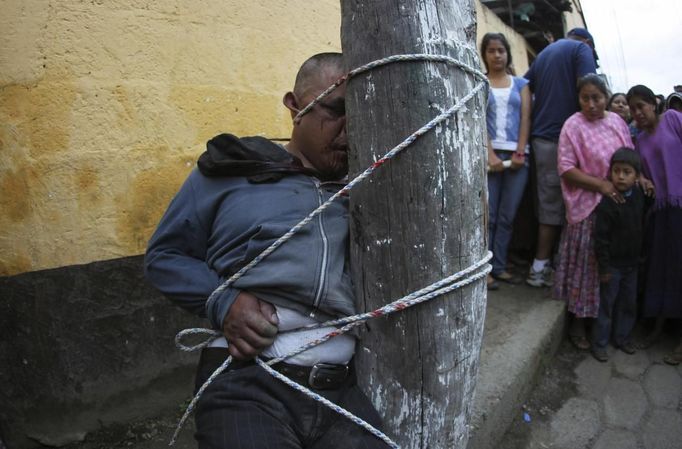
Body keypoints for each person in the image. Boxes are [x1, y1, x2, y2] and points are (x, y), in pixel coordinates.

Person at [145, 53, 386, 448]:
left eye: (361, 115)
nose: (349, 128)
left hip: (344, 390)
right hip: (248, 381)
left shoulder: (367, 188)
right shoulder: (232, 171)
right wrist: (224, 302)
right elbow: (165, 257)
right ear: (295, 105)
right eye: (336, 109)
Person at [554, 74, 633, 350]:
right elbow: (565, 167)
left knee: (608, 267)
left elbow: (629, 156)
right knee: (586, 267)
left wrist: (638, 180)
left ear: (606, 96)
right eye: (585, 98)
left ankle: (603, 325)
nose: (591, 104)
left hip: (616, 207)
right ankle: (577, 322)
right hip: (587, 206)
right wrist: (601, 185)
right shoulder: (572, 126)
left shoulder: (616, 123)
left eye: (596, 98)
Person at [524, 28, 597, 287]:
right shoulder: (581, 50)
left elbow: (524, 87)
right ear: (587, 42)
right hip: (562, 138)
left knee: (546, 203)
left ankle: (545, 264)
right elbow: (589, 85)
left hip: (540, 139)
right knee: (560, 206)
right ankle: (540, 268)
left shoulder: (543, 54)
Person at [627, 84, 682, 365]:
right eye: (633, 108)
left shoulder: (673, 118)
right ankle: (659, 328)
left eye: (641, 106)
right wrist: (642, 179)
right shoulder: (640, 142)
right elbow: (640, 175)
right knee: (663, 271)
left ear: (653, 103)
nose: (638, 113)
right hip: (662, 211)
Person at [481, 32, 531, 289]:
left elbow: (525, 119)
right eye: (491, 50)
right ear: (485, 54)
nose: (497, 55)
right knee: (488, 217)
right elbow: (478, 120)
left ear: (507, 53)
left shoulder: (521, 84)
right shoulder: (481, 83)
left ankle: (499, 267)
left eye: (501, 50)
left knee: (507, 217)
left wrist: (520, 152)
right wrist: (489, 154)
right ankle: (485, 270)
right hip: (491, 157)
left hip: (517, 158)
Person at [592, 149, 649, 362]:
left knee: (627, 304)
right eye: (616, 171)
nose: (621, 177)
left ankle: (622, 338)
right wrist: (604, 268)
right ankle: (599, 344)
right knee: (606, 305)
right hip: (613, 267)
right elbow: (601, 239)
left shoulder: (640, 196)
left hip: (632, 265)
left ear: (637, 177)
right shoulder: (608, 203)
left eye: (627, 172)